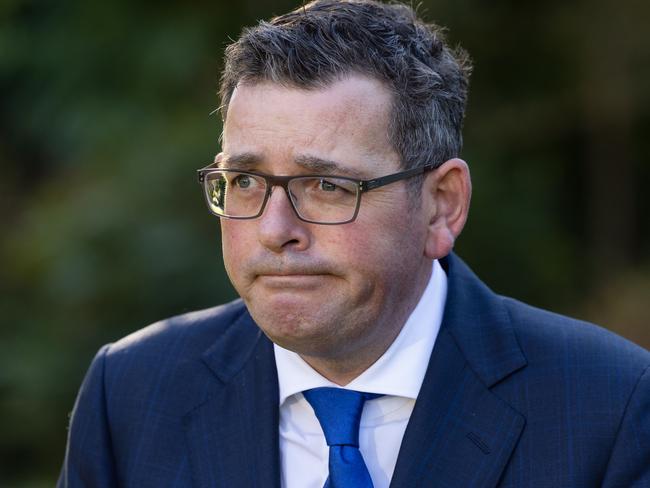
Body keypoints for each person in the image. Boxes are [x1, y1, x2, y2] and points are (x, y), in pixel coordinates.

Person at [58, 1, 650, 487]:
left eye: (327, 185)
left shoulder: (610, 407)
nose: (274, 229)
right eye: (244, 181)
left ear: (442, 203)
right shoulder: (132, 393)